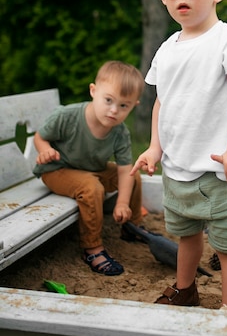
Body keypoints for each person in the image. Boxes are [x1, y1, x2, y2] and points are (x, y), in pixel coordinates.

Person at [131, 0, 227, 308]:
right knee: (187, 237)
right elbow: (162, 101)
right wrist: (155, 147)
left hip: (216, 170)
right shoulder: (167, 48)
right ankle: (185, 289)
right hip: (177, 168)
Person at [33, 60, 145, 276]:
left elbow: (124, 169)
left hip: (90, 169)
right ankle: (92, 248)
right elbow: (40, 137)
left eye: (124, 105)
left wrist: (122, 203)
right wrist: (45, 150)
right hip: (57, 170)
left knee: (133, 175)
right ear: (94, 91)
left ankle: (131, 226)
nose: (114, 110)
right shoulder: (67, 116)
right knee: (92, 187)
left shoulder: (120, 132)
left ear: (134, 106)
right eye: (109, 100)